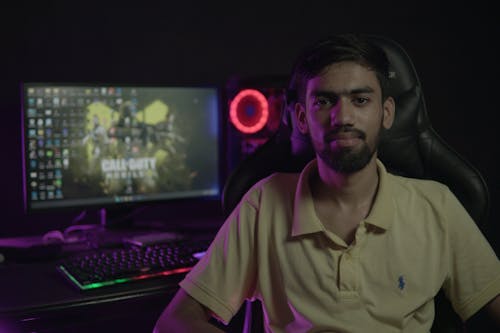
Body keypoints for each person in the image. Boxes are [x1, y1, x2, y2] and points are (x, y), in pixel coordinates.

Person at [154, 34, 500, 332]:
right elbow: (174, 321)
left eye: (360, 100)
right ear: (301, 118)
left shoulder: (435, 205)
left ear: (387, 113)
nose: (343, 117)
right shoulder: (264, 204)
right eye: (324, 101)